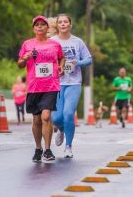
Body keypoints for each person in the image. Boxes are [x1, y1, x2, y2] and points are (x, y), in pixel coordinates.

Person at [18, 15, 65, 162]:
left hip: (51, 86)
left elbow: (61, 57)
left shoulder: (55, 45)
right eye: (37, 25)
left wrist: (61, 66)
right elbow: (20, 63)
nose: (40, 26)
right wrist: (24, 59)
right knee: (37, 120)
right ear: (33, 29)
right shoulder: (27, 44)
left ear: (47, 28)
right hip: (33, 87)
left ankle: (48, 150)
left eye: (42, 24)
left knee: (46, 117)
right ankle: (38, 149)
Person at [51, 14, 92, 158]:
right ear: (57, 26)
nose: (63, 24)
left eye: (65, 22)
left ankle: (68, 146)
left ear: (70, 25)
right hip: (56, 83)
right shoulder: (52, 41)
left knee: (68, 114)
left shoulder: (78, 42)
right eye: (60, 22)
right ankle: (61, 130)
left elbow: (89, 59)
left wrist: (78, 63)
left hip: (73, 83)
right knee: (56, 118)